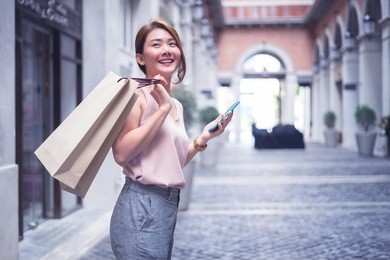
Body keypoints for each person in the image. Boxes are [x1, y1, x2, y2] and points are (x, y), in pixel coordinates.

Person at [110, 18, 233, 260]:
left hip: (166, 208)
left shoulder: (176, 104)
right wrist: (162, 109)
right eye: (156, 44)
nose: (167, 50)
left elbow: (171, 164)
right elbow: (121, 154)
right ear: (140, 58)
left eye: (172, 43)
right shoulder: (136, 97)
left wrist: (203, 138)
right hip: (140, 207)